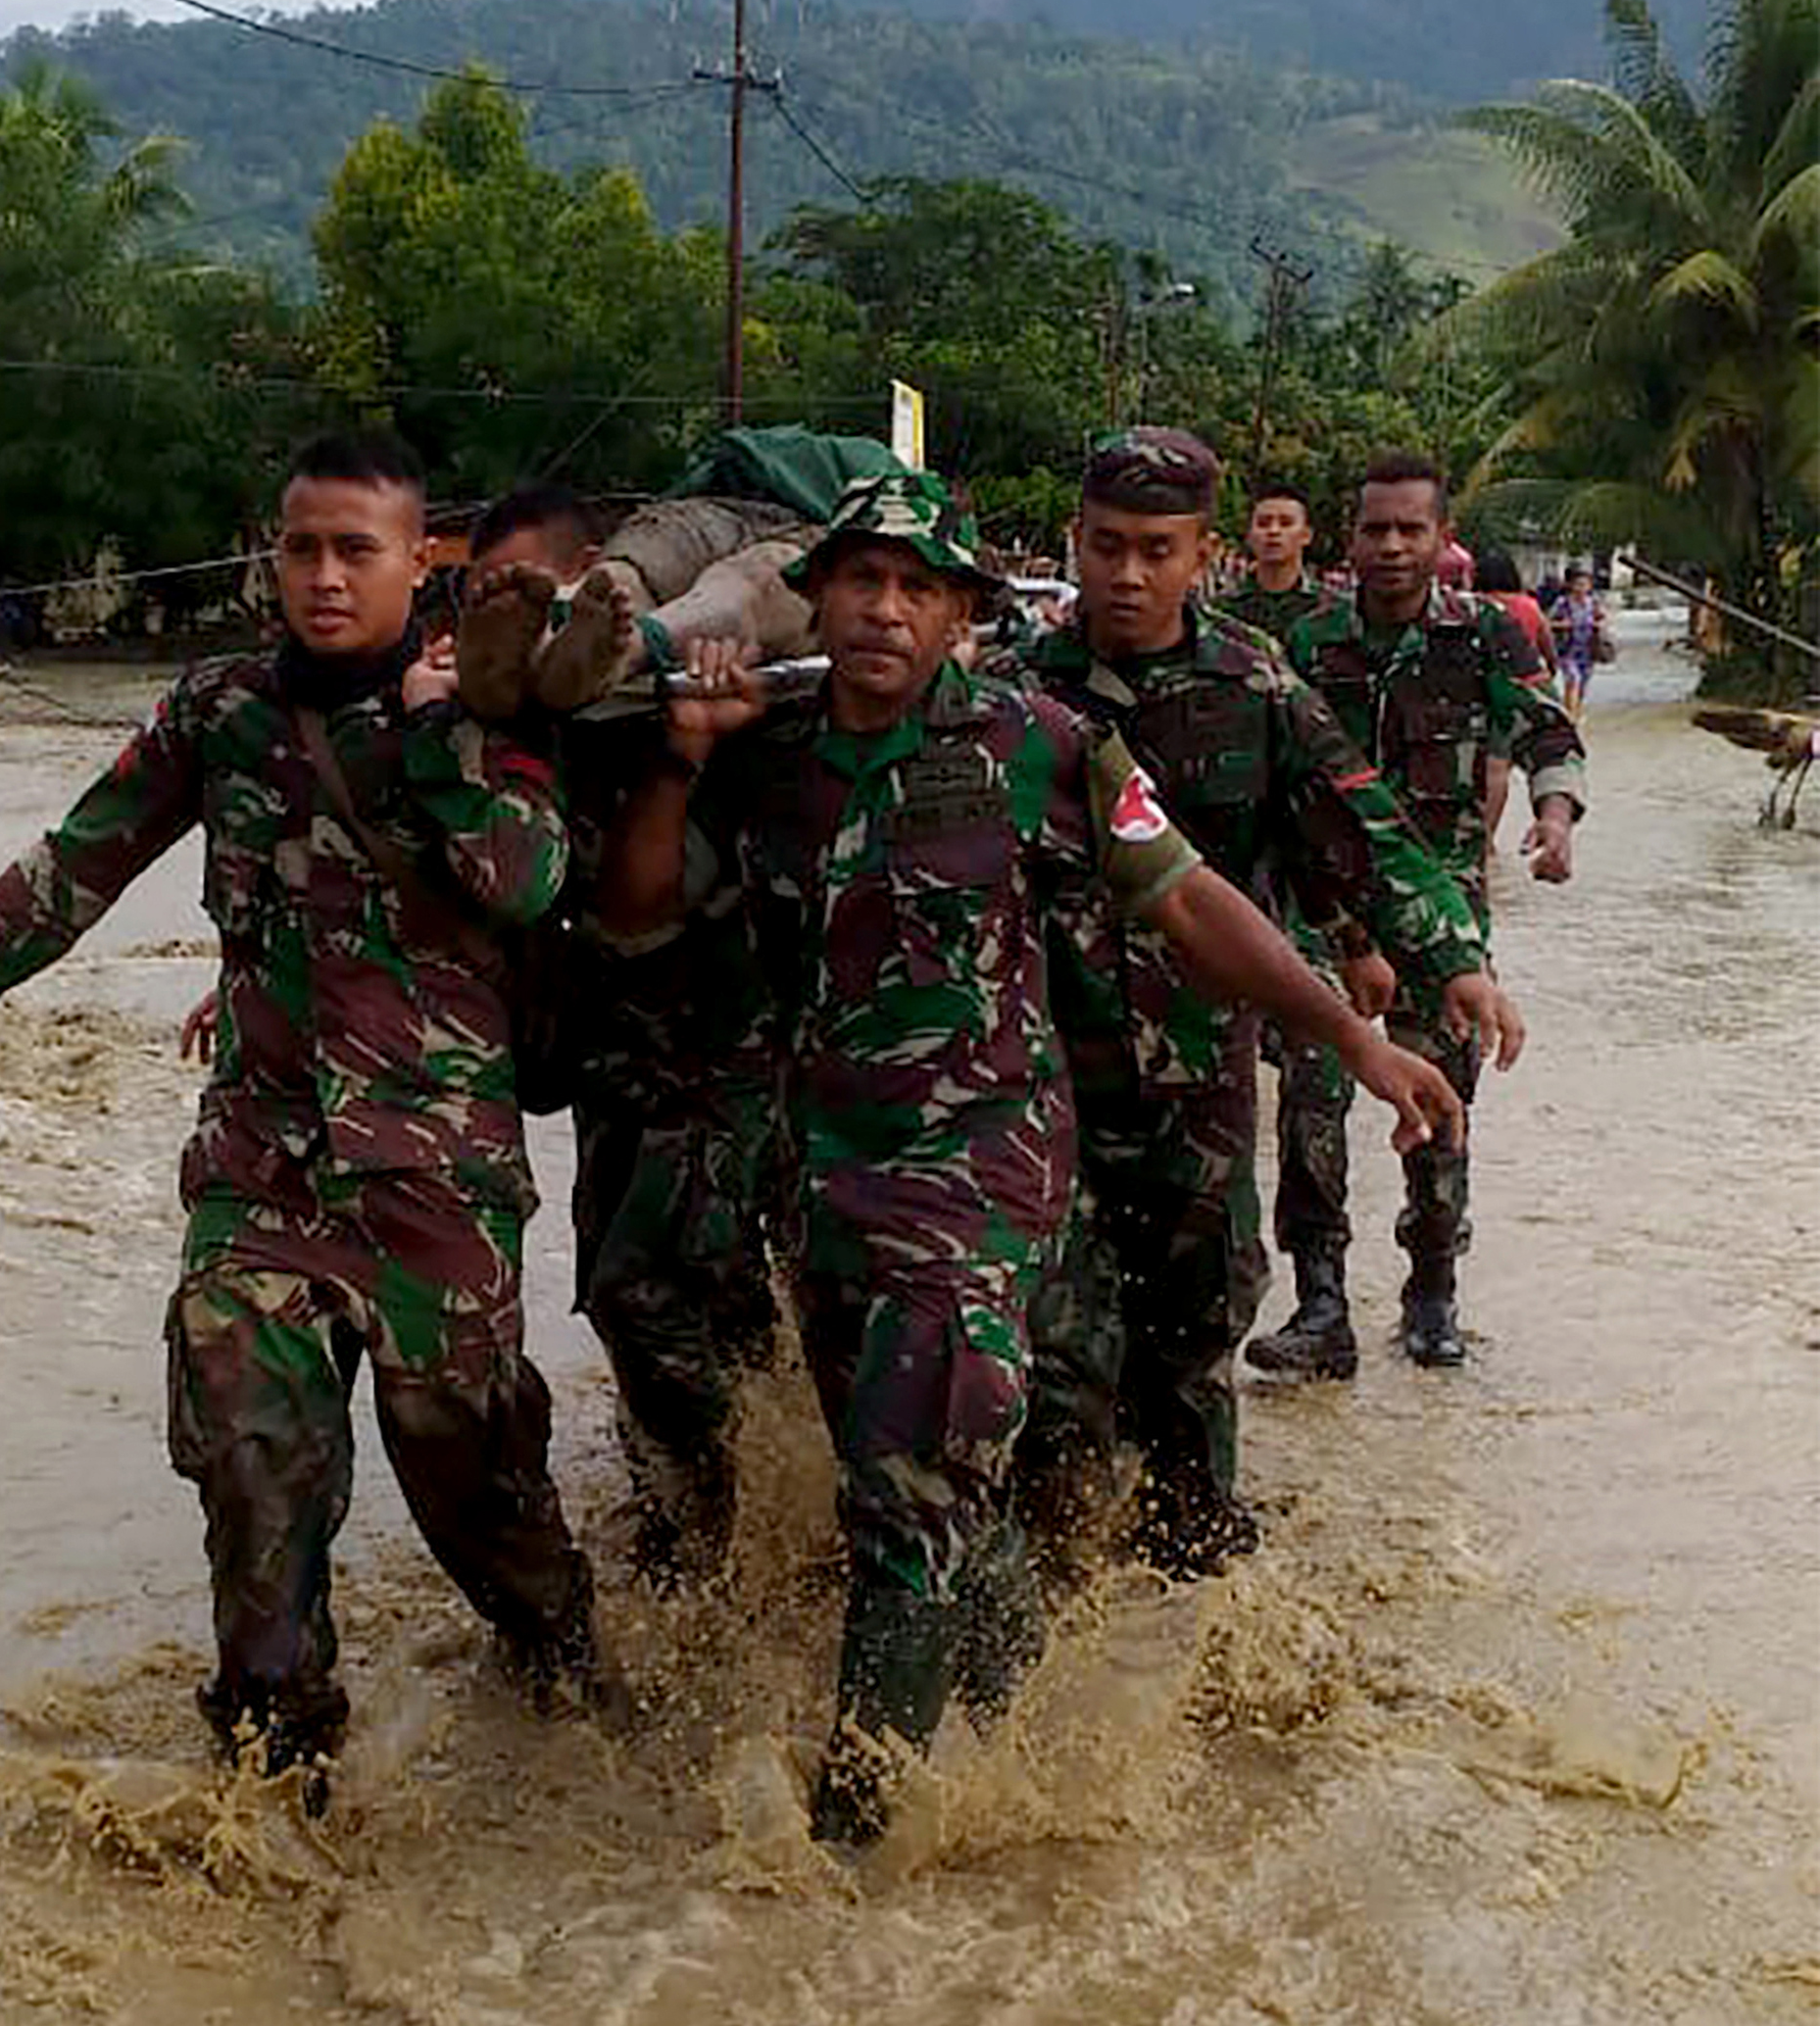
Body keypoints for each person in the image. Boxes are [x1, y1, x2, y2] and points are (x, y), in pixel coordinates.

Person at [599, 468, 1464, 1845]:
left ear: (961, 617)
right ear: (816, 595)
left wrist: (1355, 1040)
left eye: (918, 588)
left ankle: (854, 1849)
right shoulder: (765, 754)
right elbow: (637, 911)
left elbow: (1190, 898)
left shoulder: (1042, 746)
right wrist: (679, 757)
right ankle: (1037, 1744)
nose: (885, 609)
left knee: (903, 1509)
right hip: (822, 1195)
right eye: (862, 580)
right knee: (934, 1492)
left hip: (980, 1192)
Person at [0, 429, 624, 1798]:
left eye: (354, 550)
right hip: (261, 1174)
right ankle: (276, 1783)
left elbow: (522, 878)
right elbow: (77, 867)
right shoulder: (220, 712)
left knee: (474, 1488)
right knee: (251, 1470)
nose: (323, 576)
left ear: (415, 559)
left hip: (436, 1186)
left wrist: (436, 731)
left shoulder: (494, 702)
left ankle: (568, 1682)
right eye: (301, 548)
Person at [1008, 431, 1516, 1575]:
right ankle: (1064, 1596)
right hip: (1039, 1086)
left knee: (1193, 1347)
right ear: (1074, 544)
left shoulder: (1255, 686)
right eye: (1105, 547)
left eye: (1156, 550)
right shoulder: (1011, 693)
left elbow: (1363, 827)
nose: (1127, 575)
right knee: (1055, 1361)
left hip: (1196, 1077)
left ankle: (1191, 1589)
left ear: (1204, 557)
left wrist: (1452, 959)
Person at [464, 482, 782, 1581]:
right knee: (627, 1288)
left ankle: (732, 1534)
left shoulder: (697, 695)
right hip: (613, 1059)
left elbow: (646, 908)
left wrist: (682, 749)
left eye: (534, 597)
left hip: (723, 1051)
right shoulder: (509, 724)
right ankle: (695, 1522)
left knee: (669, 1290)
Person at [1262, 452, 1586, 1371]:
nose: (1393, 546)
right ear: (1350, 538)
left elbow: (1548, 734)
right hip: (1323, 914)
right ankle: (1320, 1304)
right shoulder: (1307, 645)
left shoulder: (1484, 637)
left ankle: (1434, 1291)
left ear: (1444, 538)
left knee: (1441, 1106)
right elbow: (1280, 787)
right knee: (1310, 1100)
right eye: (1377, 529)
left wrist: (1555, 817)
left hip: (1442, 925)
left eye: (1412, 528)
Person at [460, 426, 902, 718]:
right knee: (748, 584)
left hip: (702, 507)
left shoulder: (753, 454)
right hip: (805, 527)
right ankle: (626, 648)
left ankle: (541, 647)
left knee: (629, 571)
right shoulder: (883, 480)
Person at [1221, 481, 1319, 648]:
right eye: (1263, 524)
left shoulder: (1331, 609)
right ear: (1249, 536)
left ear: (1306, 535)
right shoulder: (1223, 610)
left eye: (1286, 523)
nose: (1273, 531)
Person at [1549, 565, 1608, 719]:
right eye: (1578, 584)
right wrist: (1563, 625)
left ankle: (1576, 713)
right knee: (1573, 681)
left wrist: (1599, 625)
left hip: (1588, 650)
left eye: (1585, 585)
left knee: (1582, 686)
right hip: (1567, 650)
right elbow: (1547, 623)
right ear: (1570, 585)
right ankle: (1570, 717)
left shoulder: (1593, 602)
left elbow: (1603, 619)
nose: (1581, 588)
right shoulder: (1562, 603)